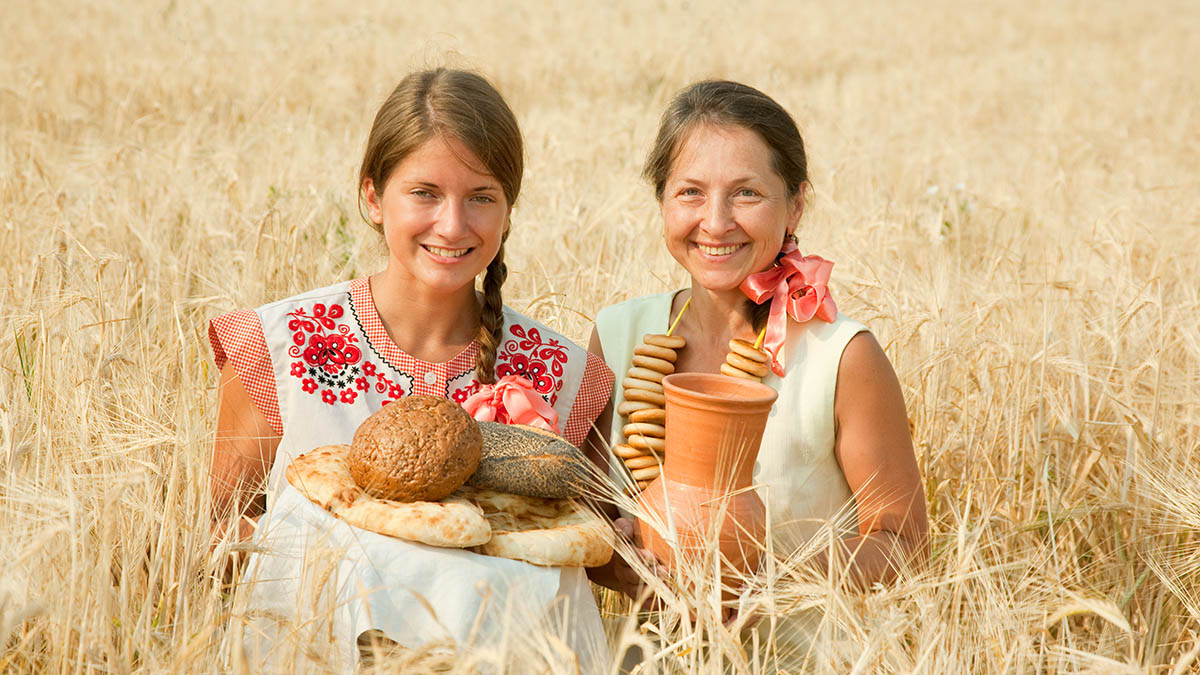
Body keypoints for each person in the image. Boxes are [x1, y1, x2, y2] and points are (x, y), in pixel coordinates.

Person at [208, 68, 614, 670]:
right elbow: (222, 536)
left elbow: (594, 552)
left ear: (509, 210)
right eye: (425, 192)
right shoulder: (277, 347)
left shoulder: (563, 376)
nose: (452, 225)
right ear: (373, 198)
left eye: (481, 197)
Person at [586, 80, 929, 661]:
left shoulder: (841, 356)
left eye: (746, 193)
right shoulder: (617, 335)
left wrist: (771, 575)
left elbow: (904, 544)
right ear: (662, 200)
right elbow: (585, 519)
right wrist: (618, 561)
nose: (716, 222)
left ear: (795, 205)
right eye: (690, 192)